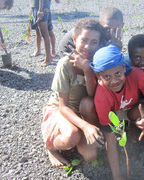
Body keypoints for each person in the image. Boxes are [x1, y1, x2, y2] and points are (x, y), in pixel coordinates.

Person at [91, 44, 144, 180]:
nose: (114, 81)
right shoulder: (101, 97)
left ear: (124, 67)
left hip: (133, 110)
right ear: (98, 76)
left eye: (118, 74)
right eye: (107, 77)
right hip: (115, 116)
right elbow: (110, 138)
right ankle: (130, 130)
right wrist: (117, 176)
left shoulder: (137, 74)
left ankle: (134, 128)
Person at [41, 18, 106, 167]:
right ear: (75, 39)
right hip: (61, 109)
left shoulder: (96, 63)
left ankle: (83, 133)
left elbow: (92, 96)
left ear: (99, 44)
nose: (88, 46)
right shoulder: (65, 64)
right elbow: (63, 106)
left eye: (94, 42)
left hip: (83, 110)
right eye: (84, 40)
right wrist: (85, 127)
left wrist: (87, 69)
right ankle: (51, 147)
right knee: (72, 136)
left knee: (90, 156)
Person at [58, 7, 124, 57]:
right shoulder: (93, 31)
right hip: (70, 52)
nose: (111, 33)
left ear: (122, 25)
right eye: (107, 29)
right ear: (100, 24)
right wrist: (114, 50)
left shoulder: (114, 33)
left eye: (115, 29)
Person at [30, 0, 59, 67]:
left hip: (41, 8)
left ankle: (48, 58)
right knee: (40, 31)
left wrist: (40, 10)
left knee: (45, 34)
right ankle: (40, 51)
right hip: (39, 7)